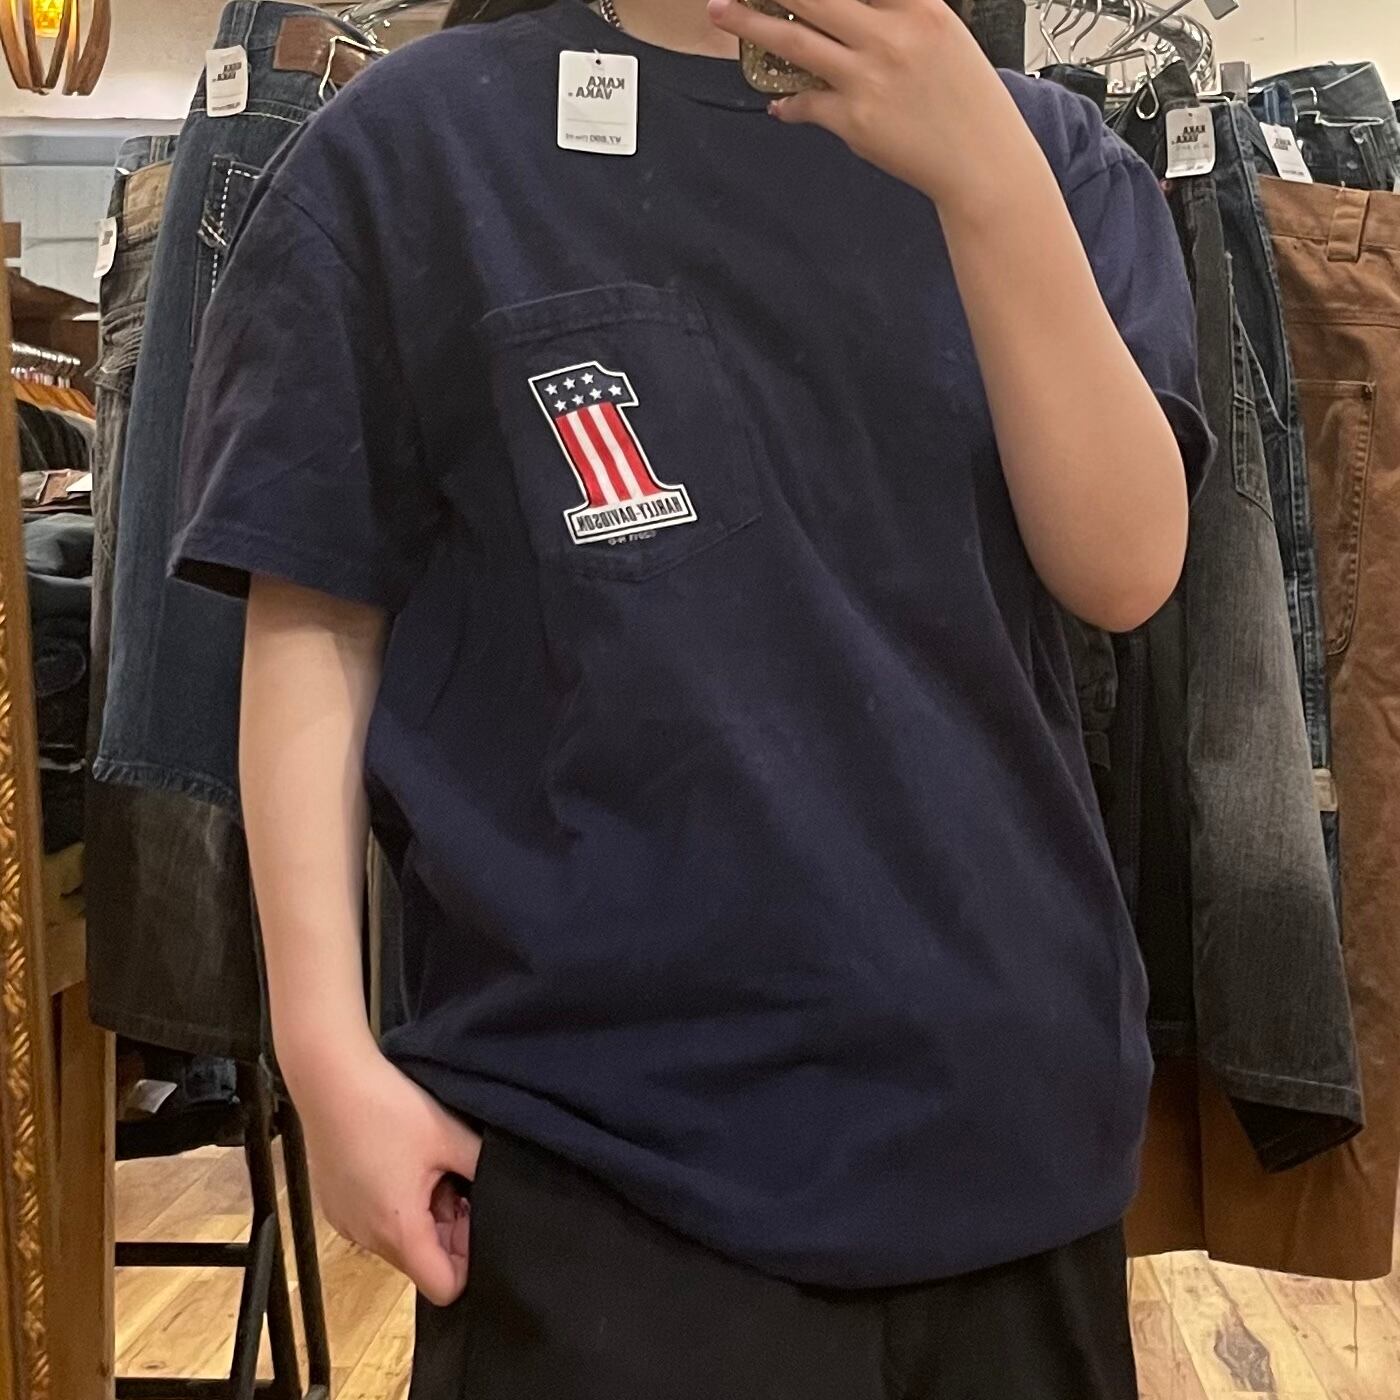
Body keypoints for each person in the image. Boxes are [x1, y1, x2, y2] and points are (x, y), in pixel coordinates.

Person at [173, 0, 1212, 1394]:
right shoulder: (411, 152)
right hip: (595, 1149)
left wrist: (989, 183)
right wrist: (321, 1052)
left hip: (1012, 1122)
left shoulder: (1052, 156)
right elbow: (314, 603)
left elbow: (1126, 570)